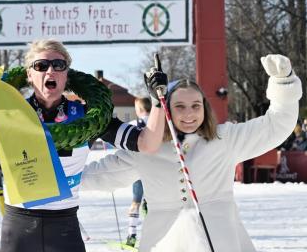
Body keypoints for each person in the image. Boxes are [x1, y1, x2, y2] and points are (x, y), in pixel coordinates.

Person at [0, 24, 167, 252]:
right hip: (19, 227)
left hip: (64, 227)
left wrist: (157, 101)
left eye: (58, 65)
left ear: (66, 75)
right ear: (28, 75)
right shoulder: (4, 112)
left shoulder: (88, 117)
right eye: (41, 66)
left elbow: (147, 143)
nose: (50, 70)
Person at [81, 54, 302, 252]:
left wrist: (284, 83)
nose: (189, 114)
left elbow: (275, 126)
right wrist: (57, 168)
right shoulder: (145, 149)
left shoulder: (225, 139)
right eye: (180, 107)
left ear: (204, 108)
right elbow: (96, 177)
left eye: (196, 105)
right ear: (166, 108)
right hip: (164, 240)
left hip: (220, 239)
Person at [126, 97, 151, 247]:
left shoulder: (133, 124)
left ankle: (132, 235)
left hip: (139, 170)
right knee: (153, 203)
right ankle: (150, 233)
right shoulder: (159, 124)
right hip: (156, 170)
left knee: (136, 202)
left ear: (140, 109)